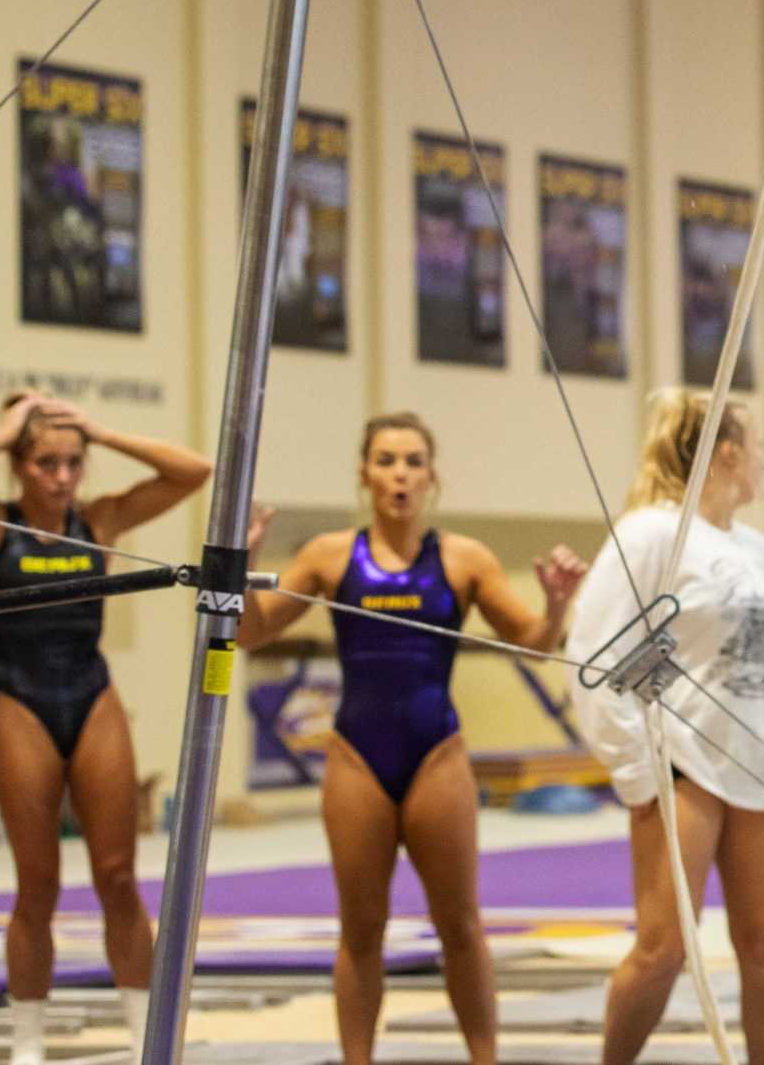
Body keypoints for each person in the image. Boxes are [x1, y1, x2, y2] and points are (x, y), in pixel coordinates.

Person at [236, 412, 588, 1065]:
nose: (400, 473)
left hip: (436, 753)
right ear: (365, 474)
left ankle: (485, 1057)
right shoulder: (329, 555)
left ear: (432, 476)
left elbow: (535, 646)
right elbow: (250, 632)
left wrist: (557, 604)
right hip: (358, 755)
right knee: (361, 929)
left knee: (460, 925)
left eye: (413, 461)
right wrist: (247, 564)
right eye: (387, 460)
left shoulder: (463, 559)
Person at [0, 391, 212, 1065]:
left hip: (91, 693)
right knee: (38, 881)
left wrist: (102, 430)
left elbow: (194, 471)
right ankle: (28, 1041)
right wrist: (4, 429)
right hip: (19, 700)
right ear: (20, 465)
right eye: (46, 461)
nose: (61, 475)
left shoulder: (100, 519)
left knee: (117, 874)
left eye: (72, 462)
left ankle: (146, 1034)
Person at [569, 389, 764, 1065]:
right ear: (727, 451)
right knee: (664, 946)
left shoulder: (756, 546)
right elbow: (590, 657)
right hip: (684, 762)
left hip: (762, 762)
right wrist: (638, 770)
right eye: (757, 445)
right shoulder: (651, 534)